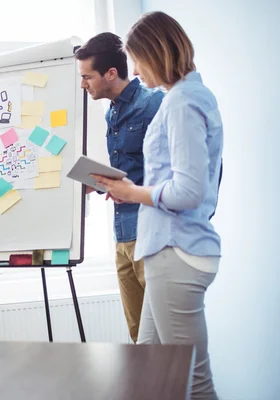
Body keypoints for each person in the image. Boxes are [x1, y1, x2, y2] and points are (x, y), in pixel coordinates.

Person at [93, 12, 223, 399]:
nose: (135, 69)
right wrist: (132, 187)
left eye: (137, 59)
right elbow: (180, 180)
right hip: (168, 248)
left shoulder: (182, 102)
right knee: (151, 369)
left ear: (156, 53)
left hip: (176, 249)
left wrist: (133, 193)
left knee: (191, 381)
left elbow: (188, 191)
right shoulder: (184, 97)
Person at [75, 32, 164, 343]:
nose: (83, 84)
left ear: (111, 73)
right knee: (139, 337)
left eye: (87, 77)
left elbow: (175, 172)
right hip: (122, 237)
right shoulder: (111, 111)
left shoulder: (154, 104)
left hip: (151, 236)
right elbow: (126, 172)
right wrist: (94, 183)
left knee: (165, 342)